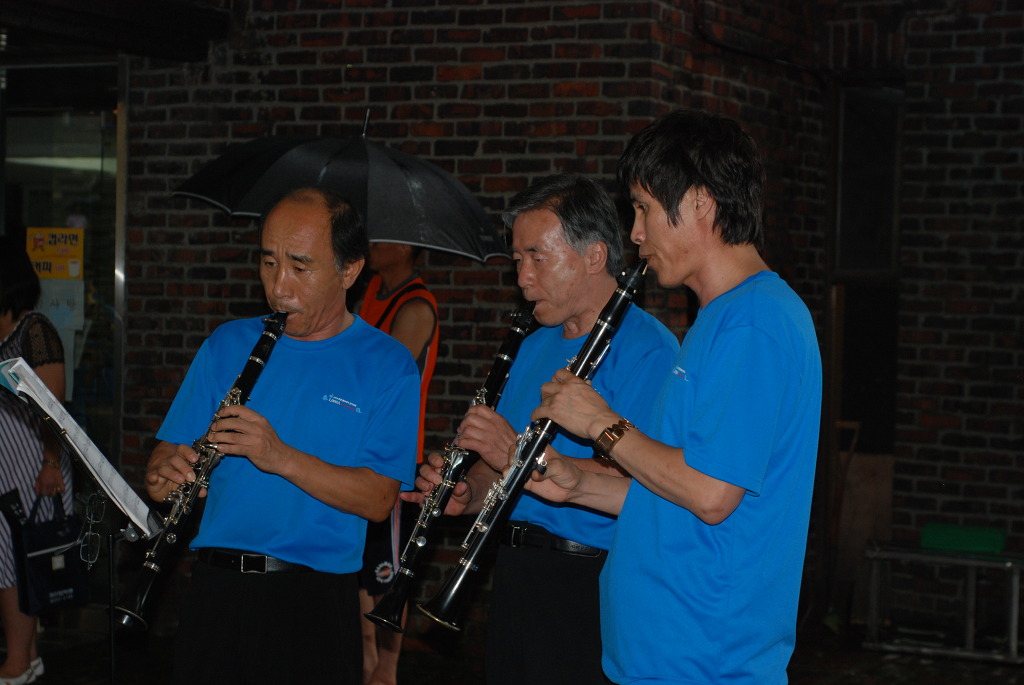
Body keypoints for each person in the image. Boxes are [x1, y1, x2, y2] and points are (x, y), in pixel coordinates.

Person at [524, 110, 823, 684]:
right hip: (665, 657)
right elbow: (679, 492)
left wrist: (601, 423)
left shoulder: (754, 322)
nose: (635, 233)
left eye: (643, 208)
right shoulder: (720, 319)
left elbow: (711, 494)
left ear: (701, 202)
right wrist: (580, 484)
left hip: (704, 662)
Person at [144, 188, 421, 685]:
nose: (278, 287)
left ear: (350, 270)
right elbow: (167, 453)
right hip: (216, 589)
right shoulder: (228, 342)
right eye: (268, 262)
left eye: (299, 266)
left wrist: (278, 456)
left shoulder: (387, 364)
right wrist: (164, 473)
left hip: (312, 601)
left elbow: (379, 499)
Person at [414, 173, 679, 685]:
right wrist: (468, 493)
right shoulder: (533, 346)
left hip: (591, 578)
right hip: (515, 571)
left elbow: (648, 483)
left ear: (594, 256)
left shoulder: (651, 351)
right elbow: (502, 471)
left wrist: (513, 453)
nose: (523, 278)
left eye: (538, 257)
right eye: (517, 260)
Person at [357, 242, 439, 685]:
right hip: (359, 455)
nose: (372, 244)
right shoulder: (370, 290)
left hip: (394, 461)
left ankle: (386, 673)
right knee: (360, 573)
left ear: (407, 247)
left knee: (386, 576)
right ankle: (369, 664)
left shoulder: (416, 306)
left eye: (383, 238)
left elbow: (384, 374)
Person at [0, 240, 71, 685]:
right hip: (7, 466)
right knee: (7, 561)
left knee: (17, 564)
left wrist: (50, 462)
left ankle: (17, 660)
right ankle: (28, 656)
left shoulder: (35, 329)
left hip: (33, 465)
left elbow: (53, 407)